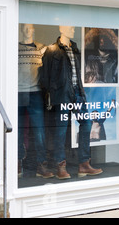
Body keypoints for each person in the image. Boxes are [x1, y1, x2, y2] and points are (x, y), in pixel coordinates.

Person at [41, 26, 103, 179]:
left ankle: (83, 164)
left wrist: (81, 91)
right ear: (62, 29)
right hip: (61, 94)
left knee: (87, 123)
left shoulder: (74, 49)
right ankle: (60, 166)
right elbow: (45, 77)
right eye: (70, 27)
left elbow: (78, 72)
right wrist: (51, 95)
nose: (73, 30)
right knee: (61, 130)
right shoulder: (52, 50)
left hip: (77, 92)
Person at [18, 23, 53, 179]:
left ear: (33, 30)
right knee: (17, 130)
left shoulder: (42, 48)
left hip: (35, 93)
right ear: (21, 30)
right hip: (17, 92)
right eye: (24, 27)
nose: (27, 29)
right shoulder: (14, 48)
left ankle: (41, 164)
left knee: (39, 130)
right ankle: (17, 162)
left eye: (30, 27)